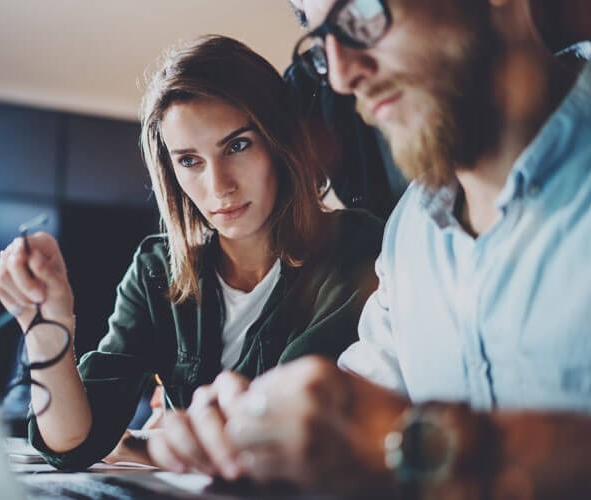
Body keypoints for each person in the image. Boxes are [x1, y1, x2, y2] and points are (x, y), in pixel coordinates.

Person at [148, 1, 591, 498]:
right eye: (322, 41)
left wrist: (427, 446)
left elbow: (387, 437)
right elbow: (356, 409)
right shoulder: (410, 232)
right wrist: (255, 432)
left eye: (361, 12)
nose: (342, 77)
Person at [0, 34, 383, 471]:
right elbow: (72, 444)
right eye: (190, 161)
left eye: (238, 145)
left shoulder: (354, 247)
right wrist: (46, 325)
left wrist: (147, 447)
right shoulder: (157, 270)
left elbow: (277, 425)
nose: (219, 186)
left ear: (280, 142)